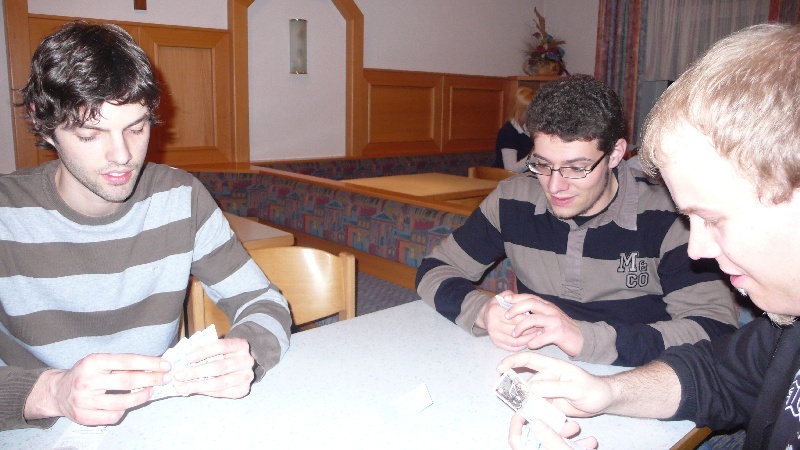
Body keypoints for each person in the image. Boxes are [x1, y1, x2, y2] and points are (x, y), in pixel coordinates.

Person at [497, 23, 800, 449]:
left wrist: (588, 340)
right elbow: (716, 375)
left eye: (713, 219)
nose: (697, 249)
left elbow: (711, 328)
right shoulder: (785, 331)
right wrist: (607, 393)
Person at [0, 22, 291, 431]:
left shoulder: (180, 197)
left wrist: (247, 352)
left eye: (136, 128)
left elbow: (264, 301)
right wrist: (50, 392)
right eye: (90, 134)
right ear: (44, 124)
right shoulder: (6, 213)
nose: (122, 155)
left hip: (161, 424)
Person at [416, 74, 738, 367]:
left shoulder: (670, 217)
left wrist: (583, 338)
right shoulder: (512, 200)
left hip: (638, 377)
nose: (555, 186)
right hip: (539, 370)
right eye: (542, 164)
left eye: (576, 168)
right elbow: (434, 269)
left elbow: (714, 328)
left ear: (615, 154)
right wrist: (483, 312)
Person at [493, 87, 534, 172]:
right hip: (504, 178)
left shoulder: (529, 129)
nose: (532, 114)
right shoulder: (508, 132)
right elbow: (511, 170)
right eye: (528, 110)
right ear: (518, 109)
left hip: (523, 177)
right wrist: (534, 156)